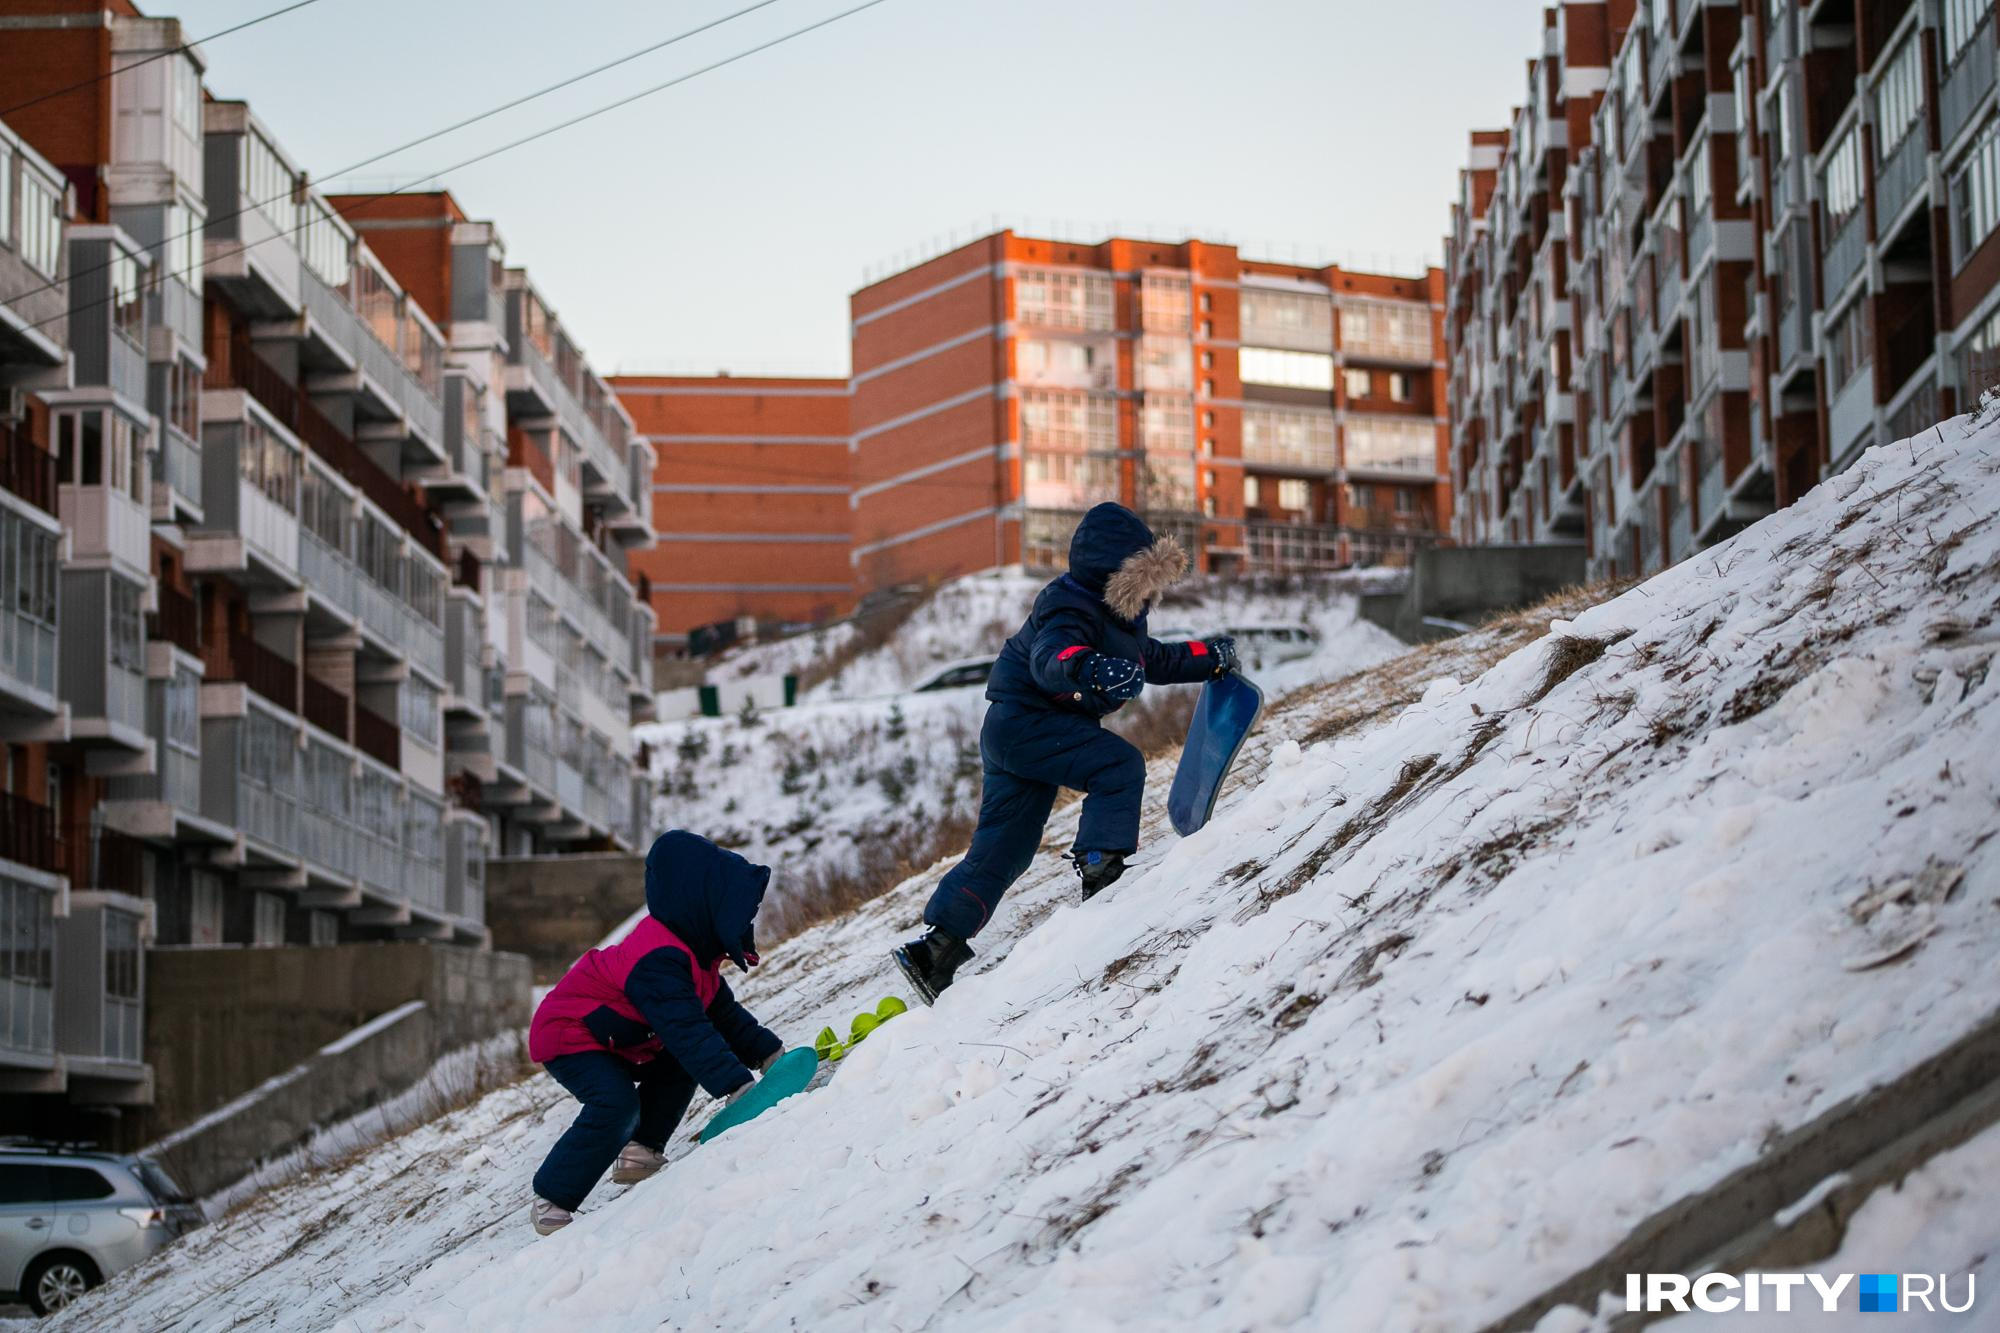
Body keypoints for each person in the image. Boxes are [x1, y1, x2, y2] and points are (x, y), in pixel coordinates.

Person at [892, 502, 1236, 1004]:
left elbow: (1153, 659)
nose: (1150, 590)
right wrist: (1089, 669)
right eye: (1142, 575)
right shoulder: (1068, 604)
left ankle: (936, 949)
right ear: (1117, 571)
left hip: (1019, 731)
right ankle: (1103, 871)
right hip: (1028, 724)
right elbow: (1051, 656)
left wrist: (1211, 658)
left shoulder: (1121, 615)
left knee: (1006, 847)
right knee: (1118, 766)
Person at [526, 829, 785, 1235]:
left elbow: (726, 1017)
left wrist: (771, 1056)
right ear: (702, 904)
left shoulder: (696, 957)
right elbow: (687, 1030)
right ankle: (552, 1199)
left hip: (623, 1035)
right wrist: (737, 1087)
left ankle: (640, 1152)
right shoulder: (657, 959)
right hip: (571, 1032)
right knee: (615, 1104)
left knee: (681, 1060)